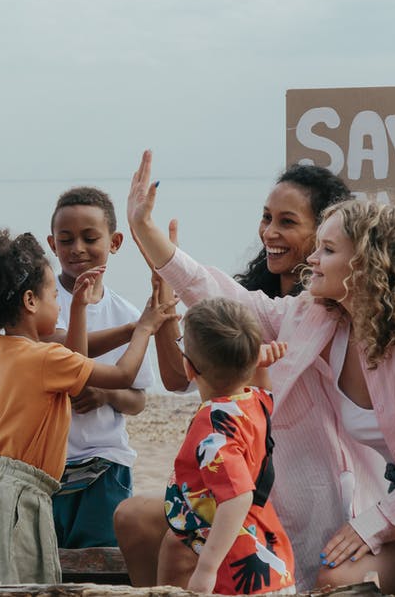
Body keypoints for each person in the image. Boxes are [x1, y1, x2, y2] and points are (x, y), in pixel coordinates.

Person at [127, 150, 395, 595]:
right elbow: (229, 300)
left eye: (328, 249)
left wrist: (373, 525)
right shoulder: (317, 318)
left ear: (365, 263)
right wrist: (147, 232)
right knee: (335, 582)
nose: (312, 260)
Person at [115, 163, 351, 585]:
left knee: (178, 546)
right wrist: (165, 291)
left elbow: (205, 288)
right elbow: (180, 376)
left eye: (287, 222)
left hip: (289, 507)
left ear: (326, 235)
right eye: (266, 218)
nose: (270, 232)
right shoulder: (255, 301)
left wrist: (153, 242)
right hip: (230, 488)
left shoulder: (323, 311)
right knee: (134, 518)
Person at [0, 229, 173, 584]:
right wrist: (144, 332)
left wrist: (82, 307)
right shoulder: (45, 358)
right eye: (55, 295)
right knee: (29, 586)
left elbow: (74, 357)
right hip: (24, 494)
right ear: (30, 301)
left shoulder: (10, 349)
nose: (60, 305)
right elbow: (122, 373)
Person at [44, 187, 183, 549]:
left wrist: (104, 394)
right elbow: (53, 352)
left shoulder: (124, 312)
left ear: (115, 241)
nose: (77, 249)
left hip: (105, 465)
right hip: (45, 464)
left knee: (101, 562)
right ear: (51, 243)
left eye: (90, 238)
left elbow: (138, 399)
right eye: (66, 239)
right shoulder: (42, 304)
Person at [161, 298, 294, 595]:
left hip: (236, 570)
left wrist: (206, 569)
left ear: (188, 368)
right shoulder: (253, 401)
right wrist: (259, 366)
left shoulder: (213, 429)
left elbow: (238, 496)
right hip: (270, 553)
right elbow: (263, 388)